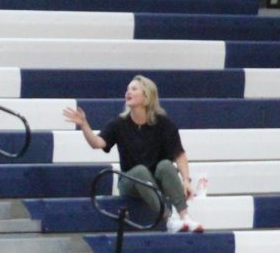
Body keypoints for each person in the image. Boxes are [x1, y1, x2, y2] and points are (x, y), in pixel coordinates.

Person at [63, 75, 202, 233]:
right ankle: (169, 219)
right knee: (140, 170)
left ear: (147, 96)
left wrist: (186, 180)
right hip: (130, 181)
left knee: (166, 165)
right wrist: (84, 125)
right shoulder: (119, 124)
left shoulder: (163, 123)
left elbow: (179, 154)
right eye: (127, 89)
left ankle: (185, 217)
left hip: (154, 181)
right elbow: (97, 143)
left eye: (134, 89)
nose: (127, 93)